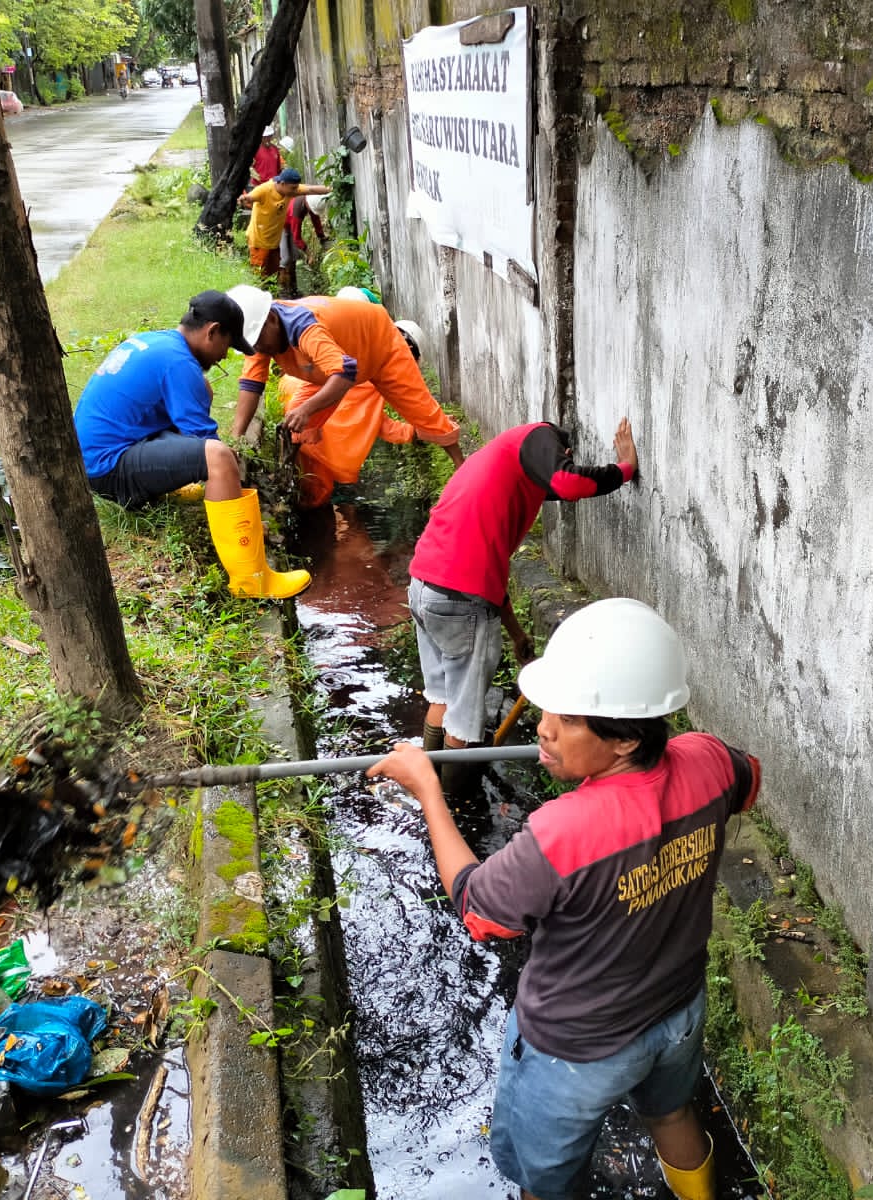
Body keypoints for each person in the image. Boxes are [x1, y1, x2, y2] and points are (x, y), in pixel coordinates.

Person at [366, 598, 761, 1200]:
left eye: (569, 719)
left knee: (545, 1183)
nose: (544, 728)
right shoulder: (708, 760)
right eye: (549, 709)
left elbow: (478, 909)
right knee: (673, 1115)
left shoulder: (561, 833)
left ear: (626, 740)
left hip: (573, 1051)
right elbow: (748, 780)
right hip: (676, 1010)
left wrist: (428, 792)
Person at [404, 417, 637, 790]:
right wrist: (625, 468)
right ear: (561, 450)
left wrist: (514, 634)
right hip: (462, 599)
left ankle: (427, 788)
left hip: (424, 590)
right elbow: (568, 482)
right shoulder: (538, 436)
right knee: (464, 722)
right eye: (563, 457)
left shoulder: (497, 472)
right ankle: (452, 810)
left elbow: (487, 567)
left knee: (443, 698)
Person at [72, 290, 310, 599]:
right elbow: (207, 446)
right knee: (219, 458)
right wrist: (237, 496)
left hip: (97, 456)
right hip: (109, 468)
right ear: (212, 331)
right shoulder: (178, 364)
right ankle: (252, 580)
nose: (225, 355)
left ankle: (167, 483)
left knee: (204, 390)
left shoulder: (158, 341)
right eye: (228, 344)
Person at [226, 286, 466, 475]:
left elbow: (344, 373)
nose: (258, 348)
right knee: (297, 419)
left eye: (259, 341)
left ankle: (461, 466)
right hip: (325, 370)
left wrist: (309, 409)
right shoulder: (257, 336)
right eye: (252, 344)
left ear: (271, 319)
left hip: (380, 348)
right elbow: (251, 384)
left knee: (421, 410)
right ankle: (290, 473)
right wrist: (236, 438)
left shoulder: (307, 329)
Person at [280, 294, 448, 507]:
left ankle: (291, 506)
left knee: (304, 486)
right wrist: (422, 430)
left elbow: (376, 422)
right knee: (315, 496)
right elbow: (381, 425)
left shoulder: (359, 359)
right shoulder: (375, 375)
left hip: (296, 412)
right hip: (314, 435)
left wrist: (417, 430)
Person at [238, 168, 330, 293]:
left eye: (296, 188)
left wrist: (332, 190)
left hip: (274, 242)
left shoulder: (290, 190)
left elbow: (311, 189)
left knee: (273, 276)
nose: (295, 191)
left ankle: (274, 300)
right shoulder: (265, 190)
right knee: (259, 278)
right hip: (258, 242)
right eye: (293, 188)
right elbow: (250, 197)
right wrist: (244, 198)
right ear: (282, 184)